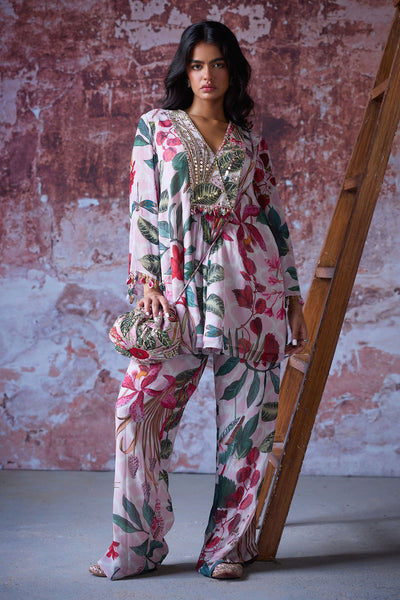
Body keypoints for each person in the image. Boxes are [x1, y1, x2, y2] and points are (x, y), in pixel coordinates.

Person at [89, 20, 307, 581]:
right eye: (196, 65)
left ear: (232, 71)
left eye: (217, 64)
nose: (207, 75)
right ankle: (136, 547)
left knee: (248, 427)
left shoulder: (248, 140)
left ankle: (225, 548)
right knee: (137, 411)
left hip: (252, 294)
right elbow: (142, 209)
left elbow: (274, 218)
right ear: (183, 72)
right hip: (177, 295)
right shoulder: (156, 127)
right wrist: (147, 285)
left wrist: (293, 296)